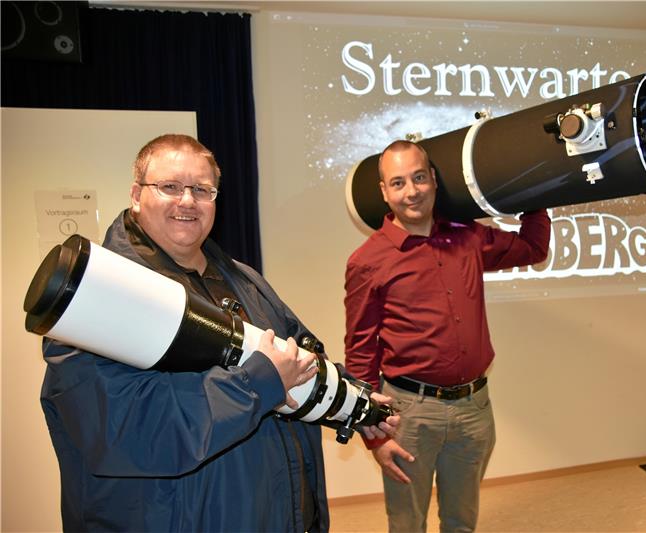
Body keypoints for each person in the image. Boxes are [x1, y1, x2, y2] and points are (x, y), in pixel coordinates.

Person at [39, 134, 397, 532]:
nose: (187, 201)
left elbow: (300, 361)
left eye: (202, 190)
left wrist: (353, 405)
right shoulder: (94, 301)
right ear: (136, 195)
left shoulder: (245, 279)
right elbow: (128, 428)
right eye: (170, 187)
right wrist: (257, 383)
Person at [344, 140, 551, 532]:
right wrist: (374, 435)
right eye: (399, 183)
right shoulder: (367, 262)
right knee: (408, 525)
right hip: (408, 414)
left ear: (434, 180)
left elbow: (533, 248)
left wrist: (536, 191)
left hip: (473, 409)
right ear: (385, 192)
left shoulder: (468, 237)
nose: (412, 191)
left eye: (419, 178)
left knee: (462, 523)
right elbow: (359, 353)